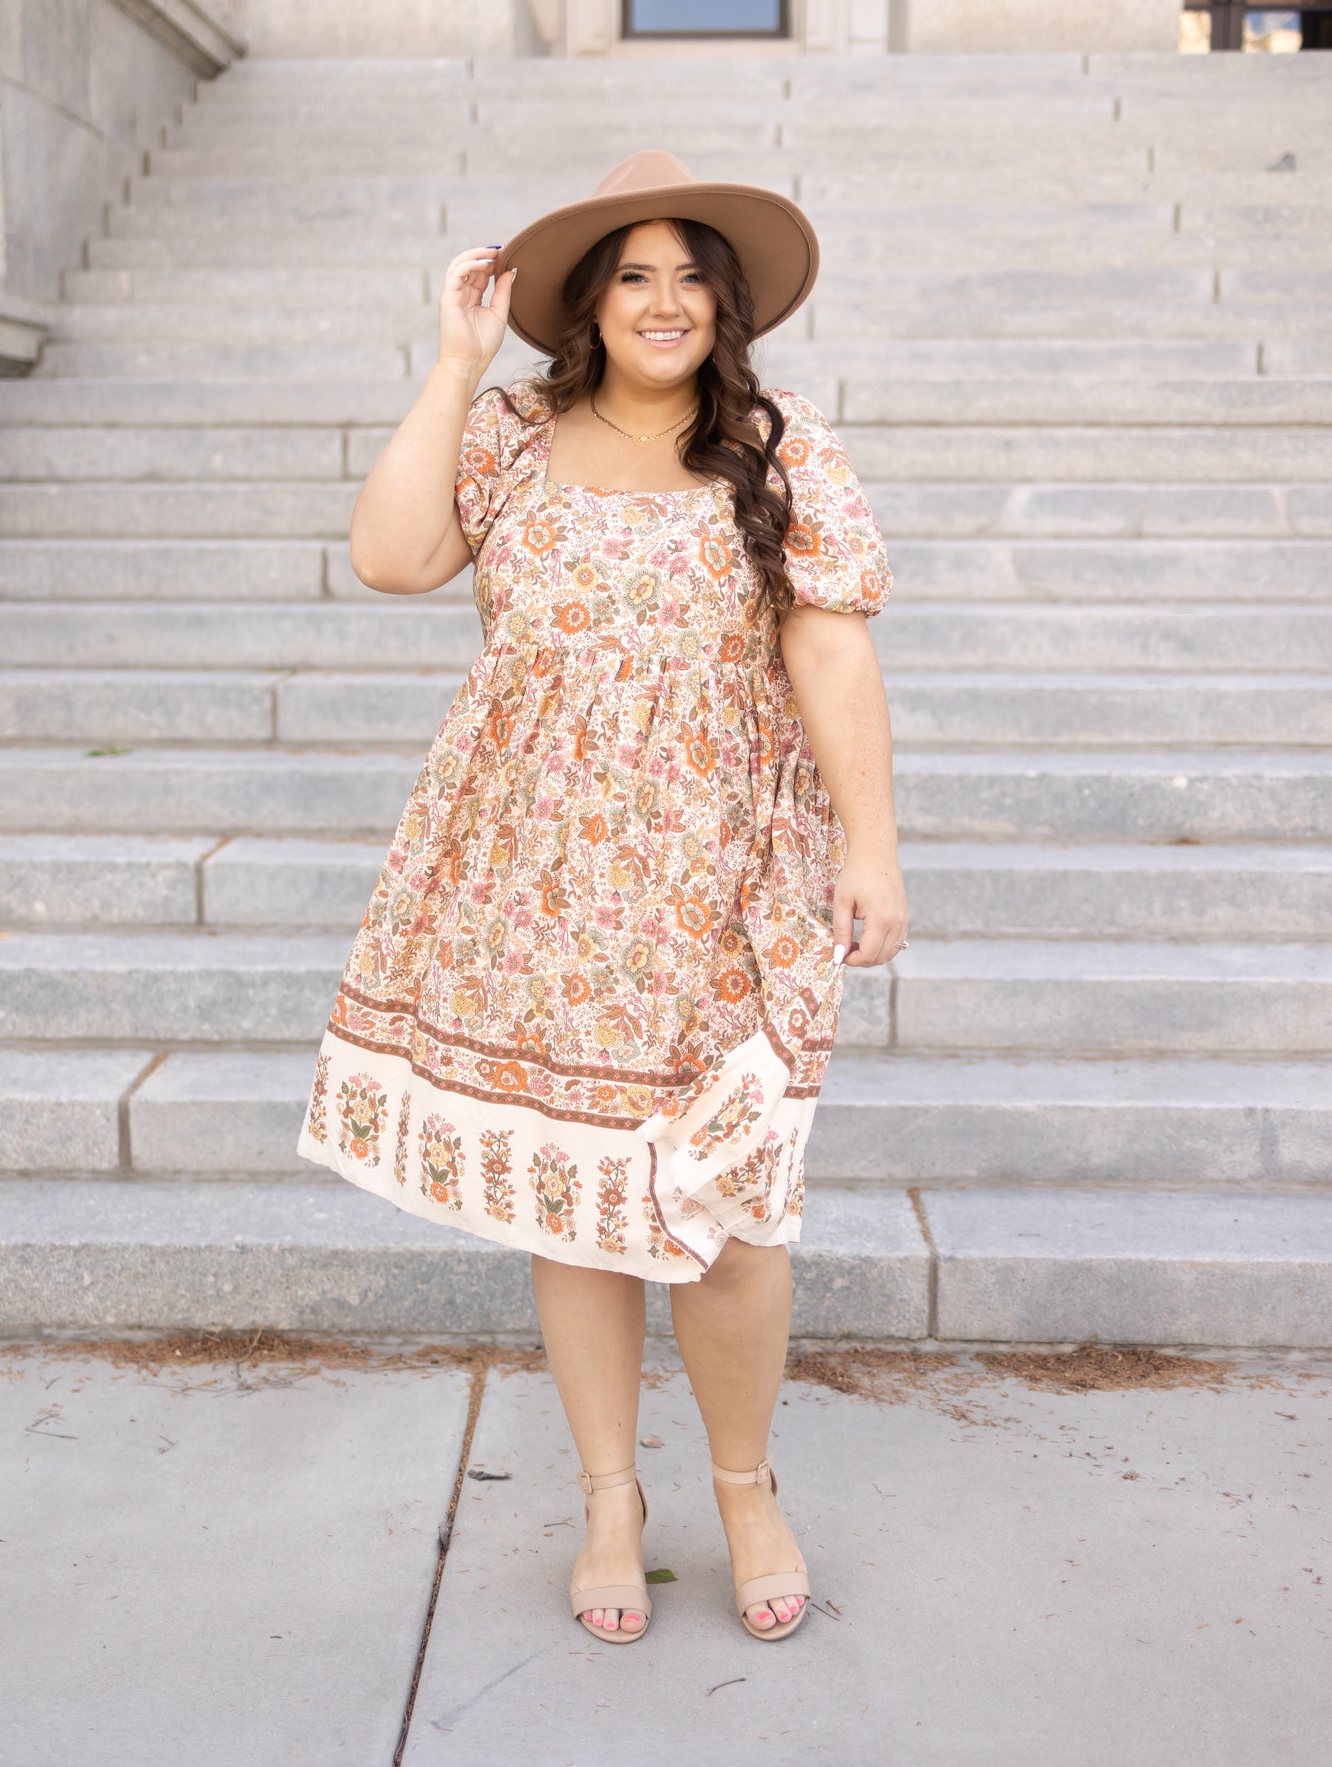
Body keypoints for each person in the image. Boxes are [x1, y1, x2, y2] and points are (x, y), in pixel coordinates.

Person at [297, 151, 906, 1646]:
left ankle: (746, 1486)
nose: (667, 300)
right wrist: (453, 362)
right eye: (635, 274)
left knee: (738, 1207)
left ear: (728, 303)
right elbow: (390, 556)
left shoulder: (782, 448)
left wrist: (871, 847)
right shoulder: (510, 436)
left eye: (693, 274)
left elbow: (829, 652)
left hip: (725, 882)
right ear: (585, 302)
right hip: (540, 882)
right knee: (576, 1201)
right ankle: (609, 1500)